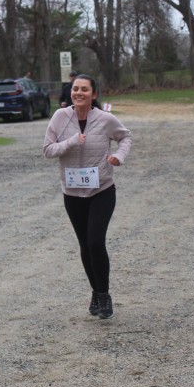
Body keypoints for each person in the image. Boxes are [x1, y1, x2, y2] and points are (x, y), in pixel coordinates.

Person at [43, 74, 133, 319]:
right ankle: (95, 292)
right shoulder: (60, 117)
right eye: (75, 89)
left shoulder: (105, 119)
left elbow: (125, 137)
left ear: (93, 94)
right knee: (84, 245)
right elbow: (47, 150)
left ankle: (104, 295)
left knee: (95, 242)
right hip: (72, 193)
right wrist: (71, 142)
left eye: (84, 89)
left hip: (101, 190)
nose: (78, 93)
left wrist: (119, 157)